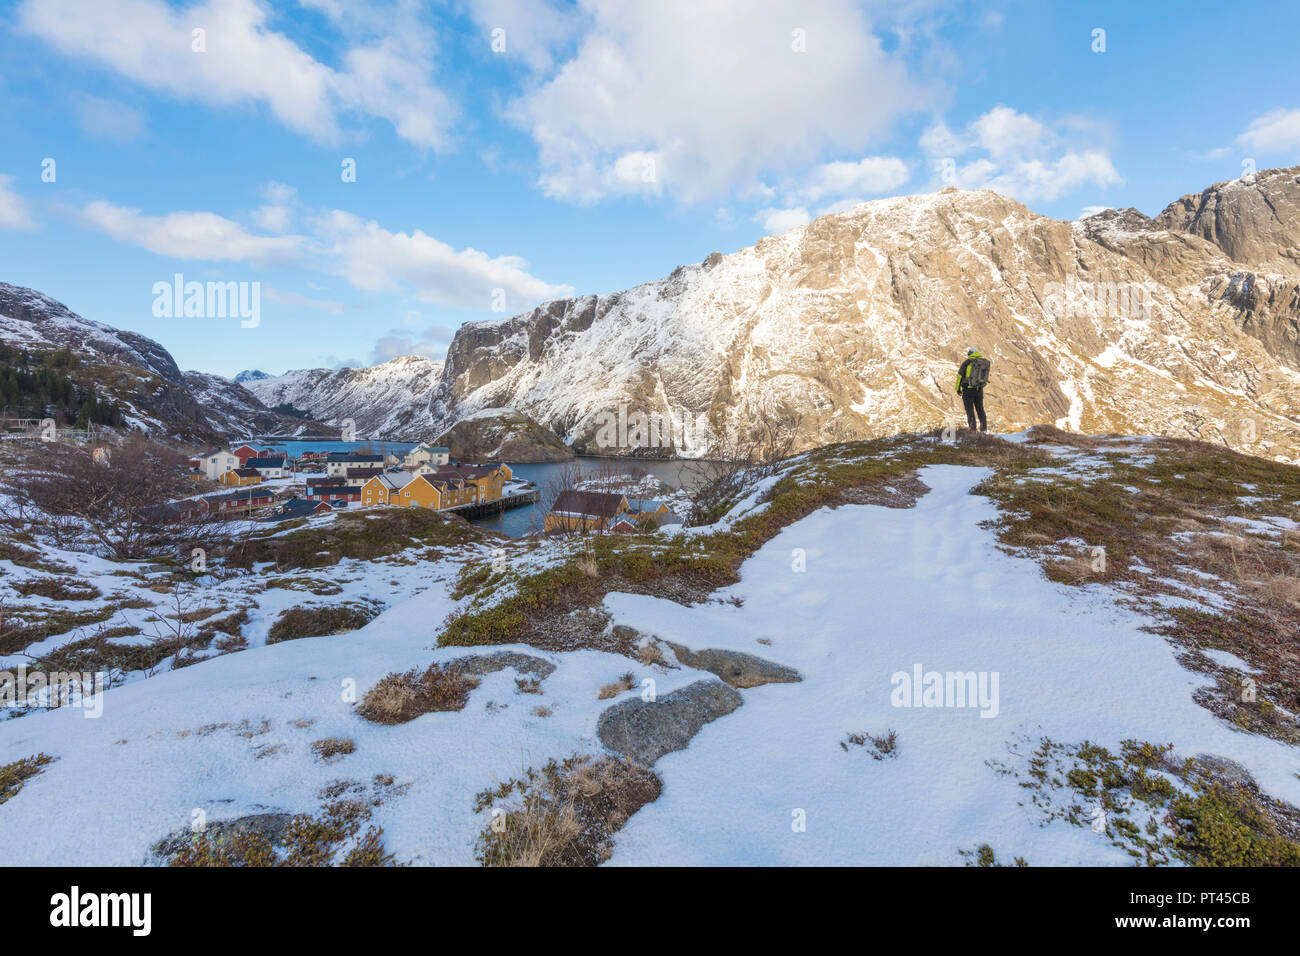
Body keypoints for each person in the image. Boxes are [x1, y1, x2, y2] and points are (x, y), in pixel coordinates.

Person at [955, 347, 990, 432]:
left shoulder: (967, 363)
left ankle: (972, 430)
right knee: (980, 409)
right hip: (979, 389)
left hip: (968, 390)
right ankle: (984, 429)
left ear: (970, 354)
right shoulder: (983, 362)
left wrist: (958, 389)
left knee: (970, 410)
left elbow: (959, 376)